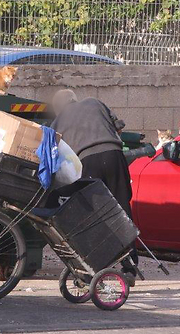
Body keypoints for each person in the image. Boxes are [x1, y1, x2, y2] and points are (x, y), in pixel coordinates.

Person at [50, 89, 138, 284]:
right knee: (122, 208)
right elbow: (119, 127)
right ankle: (130, 267)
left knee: (91, 215)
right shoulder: (94, 102)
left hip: (87, 161)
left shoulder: (59, 119)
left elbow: (55, 150)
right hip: (114, 155)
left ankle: (92, 267)